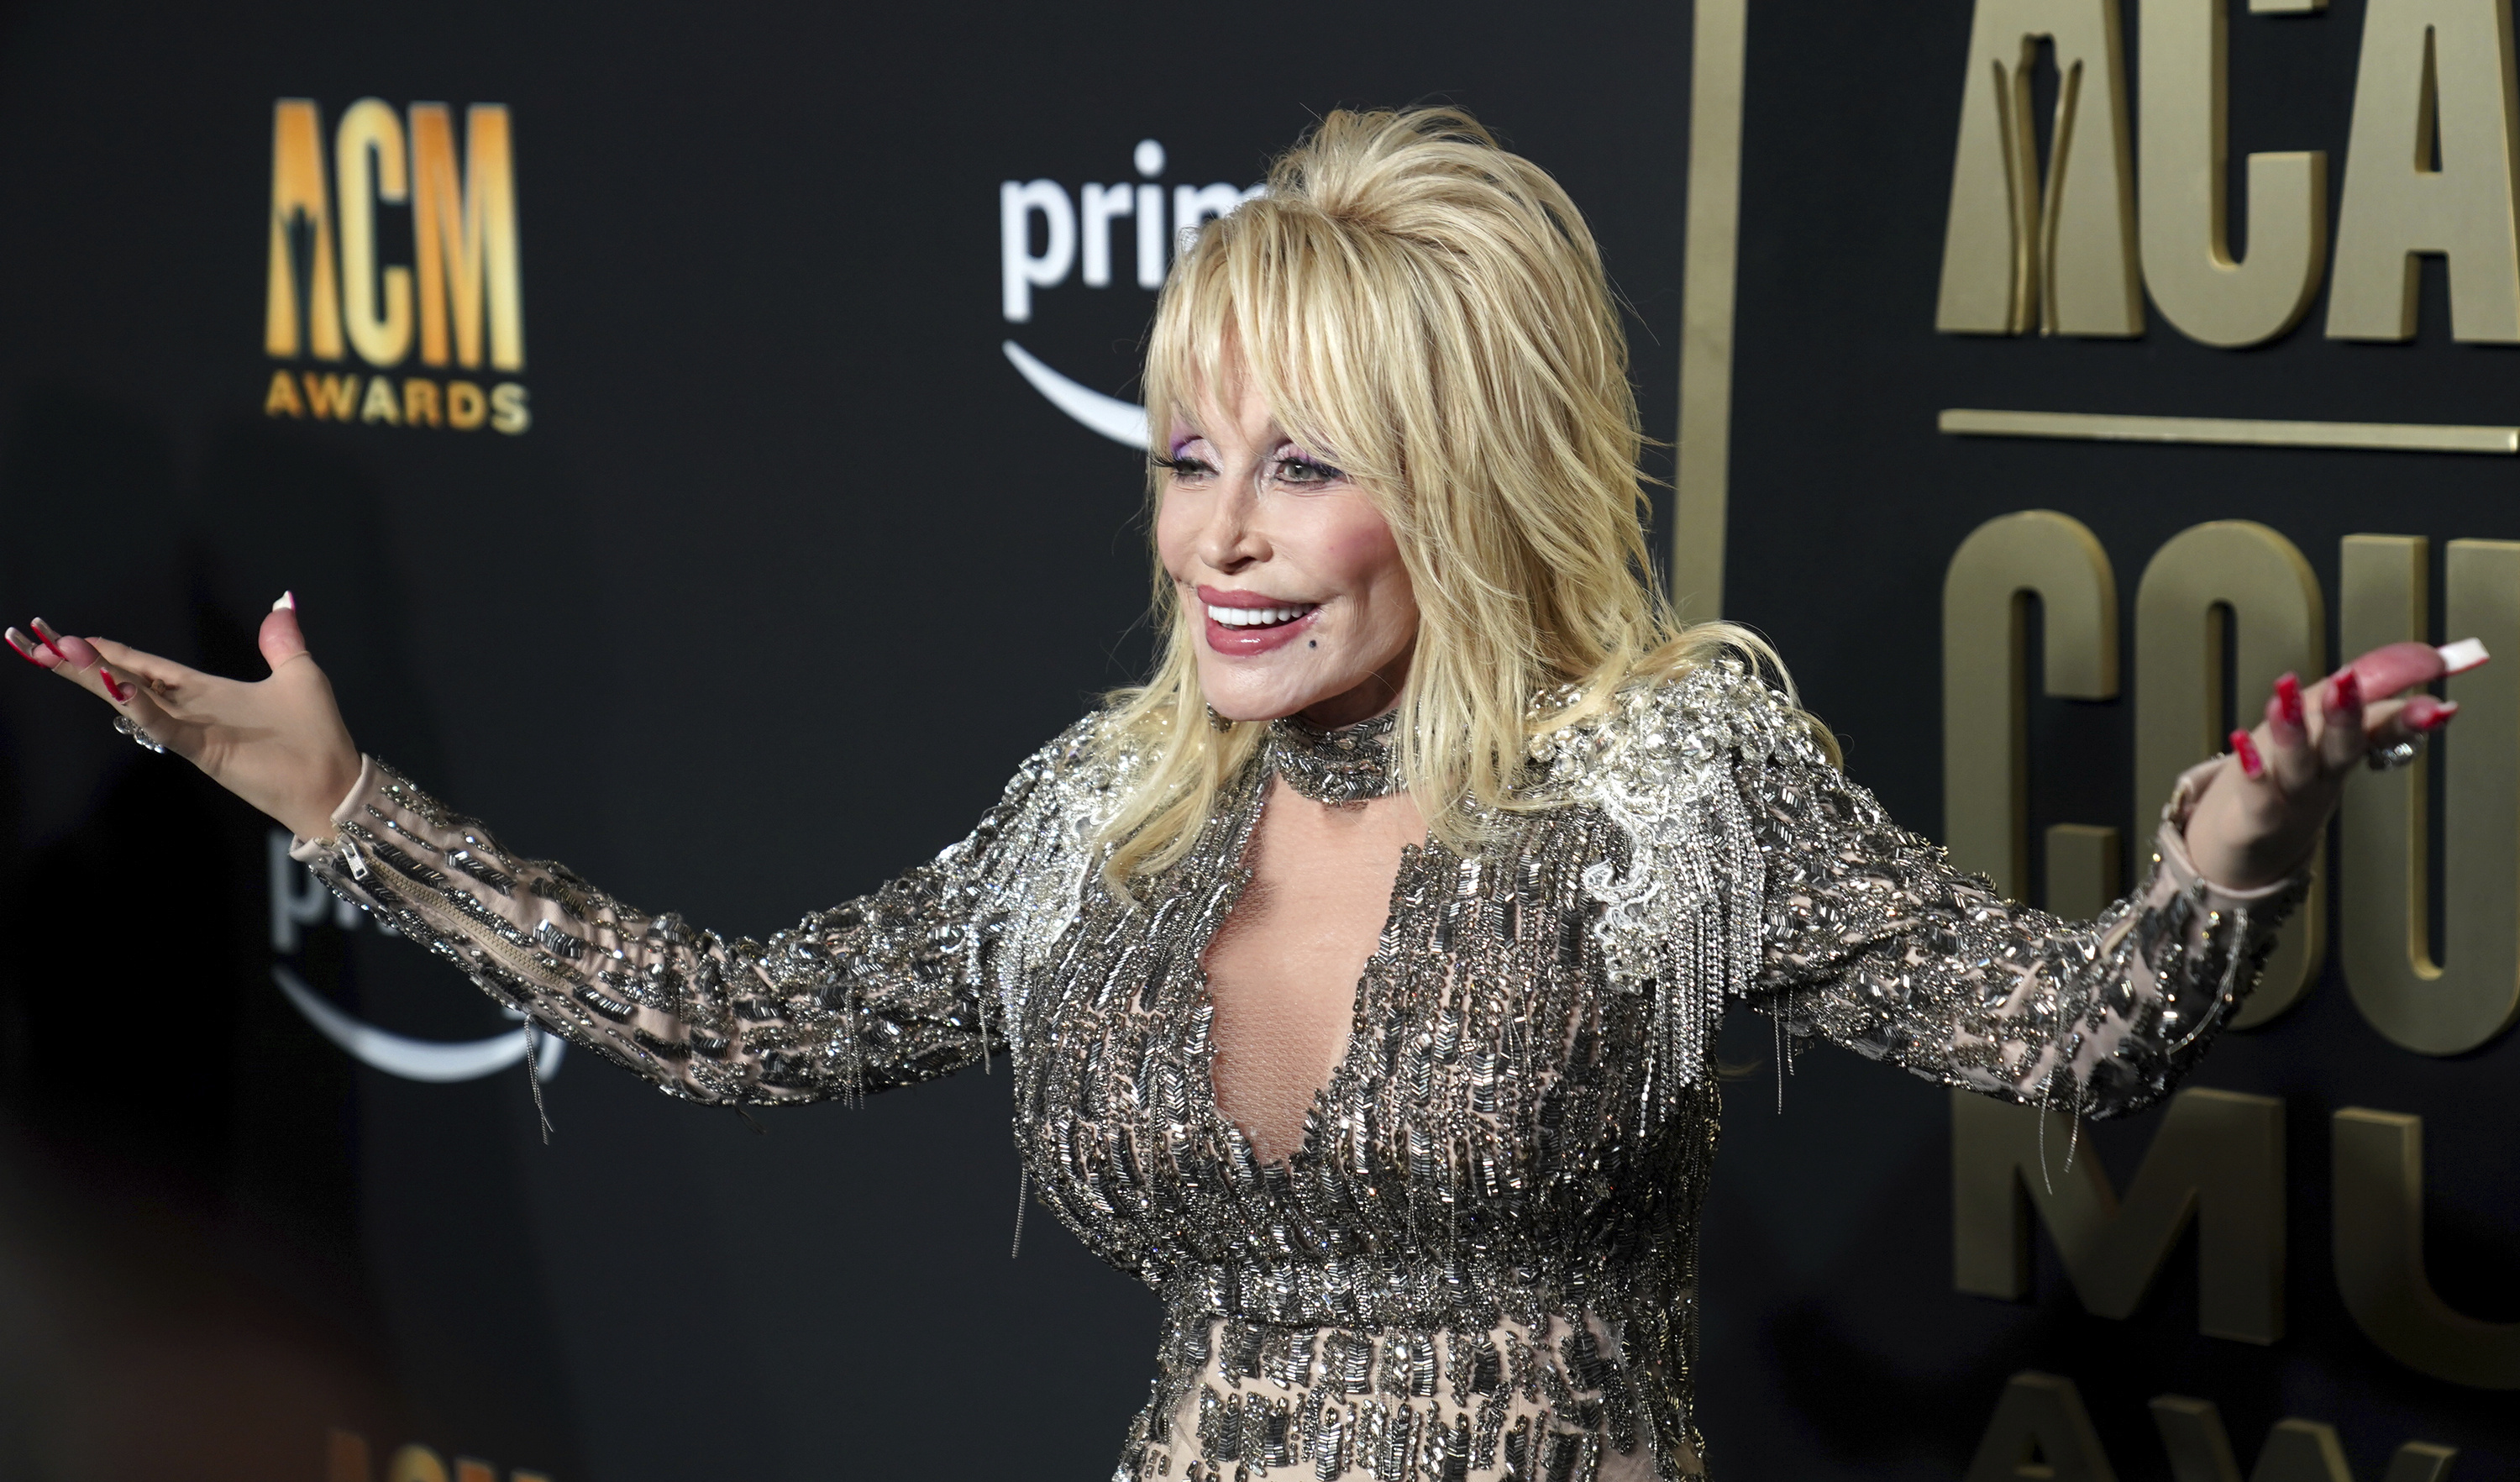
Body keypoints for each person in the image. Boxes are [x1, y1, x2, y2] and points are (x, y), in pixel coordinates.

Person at [8, 108, 2475, 1482]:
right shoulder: (1098, 823)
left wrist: (2225, 852)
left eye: (1307, 464)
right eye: (1193, 456)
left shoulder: (1672, 790)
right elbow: (729, 1019)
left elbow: (2072, 1035)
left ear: (1464, 477)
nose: (1223, 530)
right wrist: (350, 810)